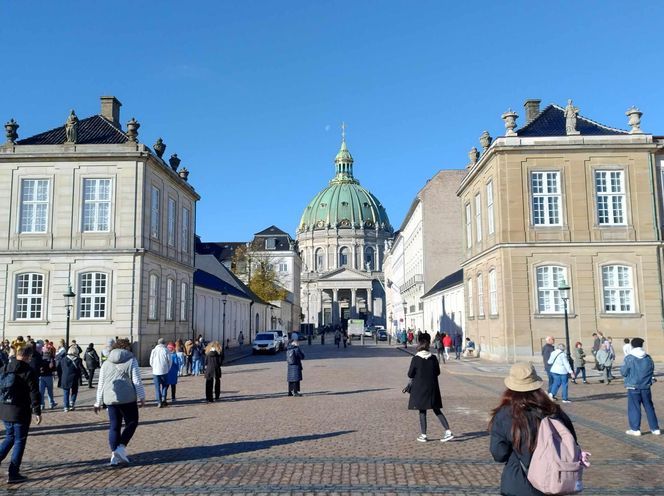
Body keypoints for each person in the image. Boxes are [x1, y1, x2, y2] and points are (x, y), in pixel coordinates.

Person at [489, 362, 577, 496]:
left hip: (518, 483)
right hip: (554, 481)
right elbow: (572, 442)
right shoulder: (554, 410)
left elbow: (499, 454)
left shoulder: (504, 414)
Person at [94, 338, 146, 466]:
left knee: (114, 426)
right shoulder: (131, 360)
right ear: (127, 348)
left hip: (111, 398)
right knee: (132, 422)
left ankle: (114, 455)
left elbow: (101, 383)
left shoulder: (106, 363)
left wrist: (97, 401)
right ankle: (120, 448)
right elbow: (136, 380)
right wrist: (142, 396)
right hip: (128, 398)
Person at [0, 345, 42, 484]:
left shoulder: (5, 367)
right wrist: (37, 411)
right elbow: (34, 392)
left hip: (5, 409)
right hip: (20, 411)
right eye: (30, 357)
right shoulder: (28, 370)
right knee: (19, 440)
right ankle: (13, 473)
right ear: (27, 356)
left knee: (10, 437)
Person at [407, 333, 453, 443]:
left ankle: (423, 435)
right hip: (432, 388)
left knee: (422, 411)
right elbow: (437, 372)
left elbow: (410, 374)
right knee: (437, 410)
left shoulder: (416, 358)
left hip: (420, 388)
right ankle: (448, 431)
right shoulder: (433, 358)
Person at [621, 337, 660, 436]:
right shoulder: (648, 357)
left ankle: (635, 429)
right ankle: (655, 428)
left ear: (632, 346)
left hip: (633, 386)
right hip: (646, 386)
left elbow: (623, 372)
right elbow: (651, 370)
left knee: (634, 408)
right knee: (649, 407)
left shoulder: (629, 358)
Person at [59, 345, 89, 411]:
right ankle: (72, 403)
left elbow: (59, 368)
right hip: (74, 378)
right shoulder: (78, 360)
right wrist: (87, 376)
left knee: (66, 393)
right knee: (74, 391)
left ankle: (66, 407)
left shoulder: (63, 359)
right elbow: (82, 369)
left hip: (65, 378)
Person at [149, 338, 171, 408]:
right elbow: (170, 361)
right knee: (164, 385)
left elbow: (151, 361)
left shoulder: (154, 350)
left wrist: (154, 367)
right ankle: (164, 398)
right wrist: (168, 368)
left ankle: (159, 401)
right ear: (164, 343)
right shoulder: (166, 350)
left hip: (155, 371)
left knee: (157, 387)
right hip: (164, 370)